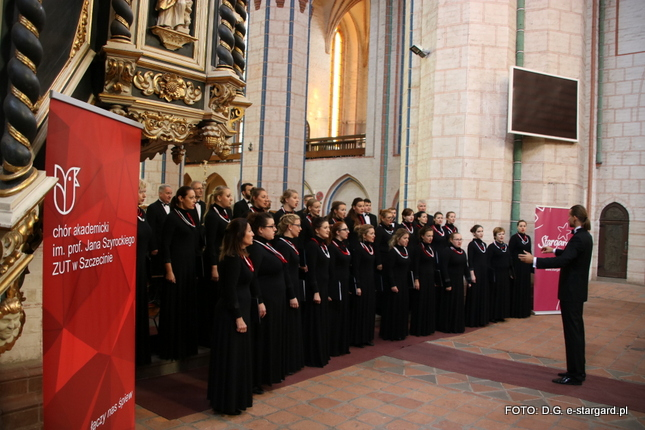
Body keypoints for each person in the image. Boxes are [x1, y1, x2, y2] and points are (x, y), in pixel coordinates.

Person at [519, 205, 593, 386]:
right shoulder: (585, 236)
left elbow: (564, 261)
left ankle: (575, 375)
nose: (567, 219)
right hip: (576, 291)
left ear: (576, 218)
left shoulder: (578, 238)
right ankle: (576, 370)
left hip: (571, 292)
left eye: (569, 216)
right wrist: (553, 249)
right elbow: (570, 255)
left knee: (573, 333)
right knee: (575, 332)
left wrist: (534, 261)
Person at [207, 218, 265, 415]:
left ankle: (237, 397)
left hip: (242, 309)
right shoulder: (231, 258)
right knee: (231, 358)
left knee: (240, 357)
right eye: (250, 231)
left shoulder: (243, 255)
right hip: (231, 314)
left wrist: (256, 303)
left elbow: (250, 282)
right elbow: (229, 290)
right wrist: (238, 317)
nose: (253, 234)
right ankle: (227, 401)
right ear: (240, 235)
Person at [248, 212, 292, 389]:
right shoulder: (256, 248)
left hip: (276, 299)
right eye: (271, 226)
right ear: (260, 229)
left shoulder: (267, 245)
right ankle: (260, 376)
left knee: (274, 337)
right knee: (265, 339)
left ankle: (272, 373)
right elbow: (253, 276)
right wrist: (258, 300)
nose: (275, 229)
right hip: (266, 299)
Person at [159, 186, 200, 360]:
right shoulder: (172, 217)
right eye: (191, 197)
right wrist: (169, 270)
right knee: (175, 307)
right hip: (176, 267)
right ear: (181, 198)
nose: (194, 200)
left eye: (195, 198)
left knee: (188, 305)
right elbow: (165, 246)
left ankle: (187, 346)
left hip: (189, 267)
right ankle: (172, 347)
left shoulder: (191, 216)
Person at [202, 185, 233, 345]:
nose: (230, 198)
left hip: (226, 258)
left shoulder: (228, 213)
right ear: (218, 197)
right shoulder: (212, 216)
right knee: (214, 298)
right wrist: (214, 266)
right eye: (228, 196)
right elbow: (211, 244)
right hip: (215, 261)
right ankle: (210, 335)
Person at [274, 214, 305, 375]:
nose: (301, 228)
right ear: (289, 227)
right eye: (298, 225)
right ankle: (287, 362)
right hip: (288, 289)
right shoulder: (282, 245)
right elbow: (284, 271)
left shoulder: (291, 243)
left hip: (295, 285)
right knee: (288, 326)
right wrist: (291, 294)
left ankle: (294, 361)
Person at [302, 217, 331, 367]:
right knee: (315, 322)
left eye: (328, 227)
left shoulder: (324, 245)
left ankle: (322, 353)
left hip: (324, 287)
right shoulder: (312, 245)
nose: (328, 230)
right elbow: (311, 271)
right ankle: (313, 356)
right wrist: (316, 291)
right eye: (325, 227)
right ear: (317, 229)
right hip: (316, 288)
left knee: (322, 321)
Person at [380, 228, 417, 341]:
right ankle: (391, 332)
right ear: (398, 238)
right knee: (394, 308)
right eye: (405, 238)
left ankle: (401, 331)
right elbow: (389, 270)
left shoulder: (406, 250)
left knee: (403, 307)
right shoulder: (392, 251)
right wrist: (392, 284)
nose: (407, 240)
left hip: (404, 283)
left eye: (408, 238)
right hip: (394, 283)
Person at [136, 180, 157, 366]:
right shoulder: (125, 214)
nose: (144, 195)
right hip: (131, 267)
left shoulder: (141, 212)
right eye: (141, 191)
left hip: (142, 265)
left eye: (144, 191)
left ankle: (142, 354)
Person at [438, 232, 471, 333]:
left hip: (459, 282)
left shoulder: (462, 252)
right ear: (451, 240)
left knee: (458, 303)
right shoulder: (447, 251)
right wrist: (447, 283)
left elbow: (465, 267)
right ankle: (447, 326)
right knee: (449, 304)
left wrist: (468, 279)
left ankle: (457, 326)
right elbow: (443, 267)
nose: (459, 241)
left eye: (460, 239)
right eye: (457, 239)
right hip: (450, 281)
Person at [350, 224, 377, 347]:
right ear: (364, 235)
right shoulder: (358, 248)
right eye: (371, 233)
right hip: (361, 282)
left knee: (369, 309)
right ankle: (358, 338)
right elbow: (355, 269)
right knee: (360, 310)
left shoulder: (371, 247)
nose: (373, 236)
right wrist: (357, 285)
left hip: (370, 282)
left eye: (374, 233)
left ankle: (367, 336)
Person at [146, 184, 173, 304]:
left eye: (171, 193)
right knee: (157, 272)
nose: (169, 196)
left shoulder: (172, 207)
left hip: (169, 246)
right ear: (160, 194)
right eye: (167, 193)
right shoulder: (153, 208)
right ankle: (155, 296)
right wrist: (153, 246)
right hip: (158, 246)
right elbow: (151, 228)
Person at [328, 222, 352, 356]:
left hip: (344, 282)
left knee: (344, 314)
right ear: (337, 232)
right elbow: (331, 269)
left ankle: (343, 345)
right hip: (336, 283)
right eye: (345, 229)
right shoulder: (332, 247)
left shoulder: (345, 245)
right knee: (336, 315)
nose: (347, 231)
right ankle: (334, 347)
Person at [410, 226, 437, 336]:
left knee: (428, 302)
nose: (430, 238)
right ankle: (418, 329)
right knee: (420, 302)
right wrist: (416, 279)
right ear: (422, 236)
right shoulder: (418, 248)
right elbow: (415, 265)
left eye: (432, 236)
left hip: (430, 278)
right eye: (428, 236)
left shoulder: (431, 248)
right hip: (421, 277)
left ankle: (428, 327)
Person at [465, 225, 489, 327]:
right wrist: (472, 274)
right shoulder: (471, 244)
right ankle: (472, 320)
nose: (481, 233)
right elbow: (470, 260)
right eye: (478, 231)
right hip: (476, 272)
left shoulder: (484, 244)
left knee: (482, 294)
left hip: (484, 272)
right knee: (475, 295)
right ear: (474, 233)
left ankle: (481, 319)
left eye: (482, 231)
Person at [509, 220, 533, 318]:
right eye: (520, 226)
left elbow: (529, 251)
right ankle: (516, 311)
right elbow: (510, 253)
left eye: (524, 226)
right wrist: (511, 268)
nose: (522, 227)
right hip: (517, 266)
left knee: (525, 287)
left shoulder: (528, 238)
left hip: (526, 266)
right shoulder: (514, 238)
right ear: (517, 227)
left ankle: (525, 311)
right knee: (517, 287)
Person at [488, 227, 512, 323]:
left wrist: (510, 272)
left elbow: (509, 260)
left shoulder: (506, 246)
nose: (501, 236)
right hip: (496, 274)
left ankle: (502, 314)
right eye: (499, 234)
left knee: (503, 294)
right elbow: (488, 262)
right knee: (495, 294)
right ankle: (493, 315)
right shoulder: (491, 247)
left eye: (503, 234)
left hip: (505, 274)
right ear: (495, 236)